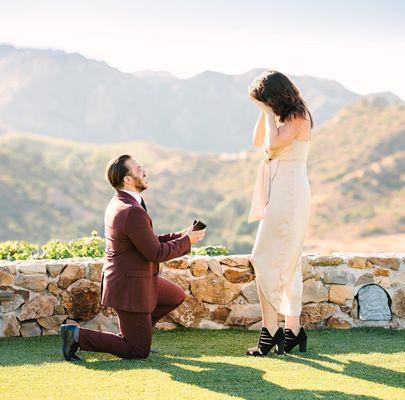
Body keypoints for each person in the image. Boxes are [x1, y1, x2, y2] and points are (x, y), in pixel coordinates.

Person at [60, 154, 205, 361]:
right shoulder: (130, 210)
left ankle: (137, 333)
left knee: (175, 296)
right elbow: (155, 253)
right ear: (128, 179)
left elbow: (148, 241)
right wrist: (187, 241)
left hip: (135, 280)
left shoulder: (123, 203)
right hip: (130, 287)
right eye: (139, 169)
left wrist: (182, 234)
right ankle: (75, 335)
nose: (144, 172)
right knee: (137, 352)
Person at [246, 71, 313, 356]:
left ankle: (271, 330)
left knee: (262, 258)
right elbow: (257, 139)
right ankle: (292, 330)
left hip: (290, 192)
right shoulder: (281, 118)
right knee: (287, 261)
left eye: (262, 99)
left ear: (273, 95)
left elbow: (272, 145)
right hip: (279, 189)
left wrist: (267, 109)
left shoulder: (297, 116)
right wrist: (266, 113)